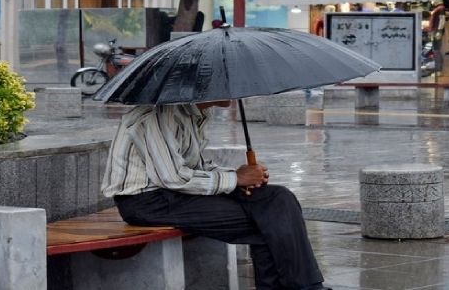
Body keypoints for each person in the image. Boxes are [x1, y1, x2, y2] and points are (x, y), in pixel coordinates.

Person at [102, 101, 332, 290]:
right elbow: (173, 177)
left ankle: (307, 285)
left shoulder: (194, 113)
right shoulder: (157, 115)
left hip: (177, 194)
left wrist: (241, 176)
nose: (234, 91)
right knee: (266, 223)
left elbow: (196, 166)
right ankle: (307, 287)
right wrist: (235, 180)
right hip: (147, 202)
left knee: (277, 197)